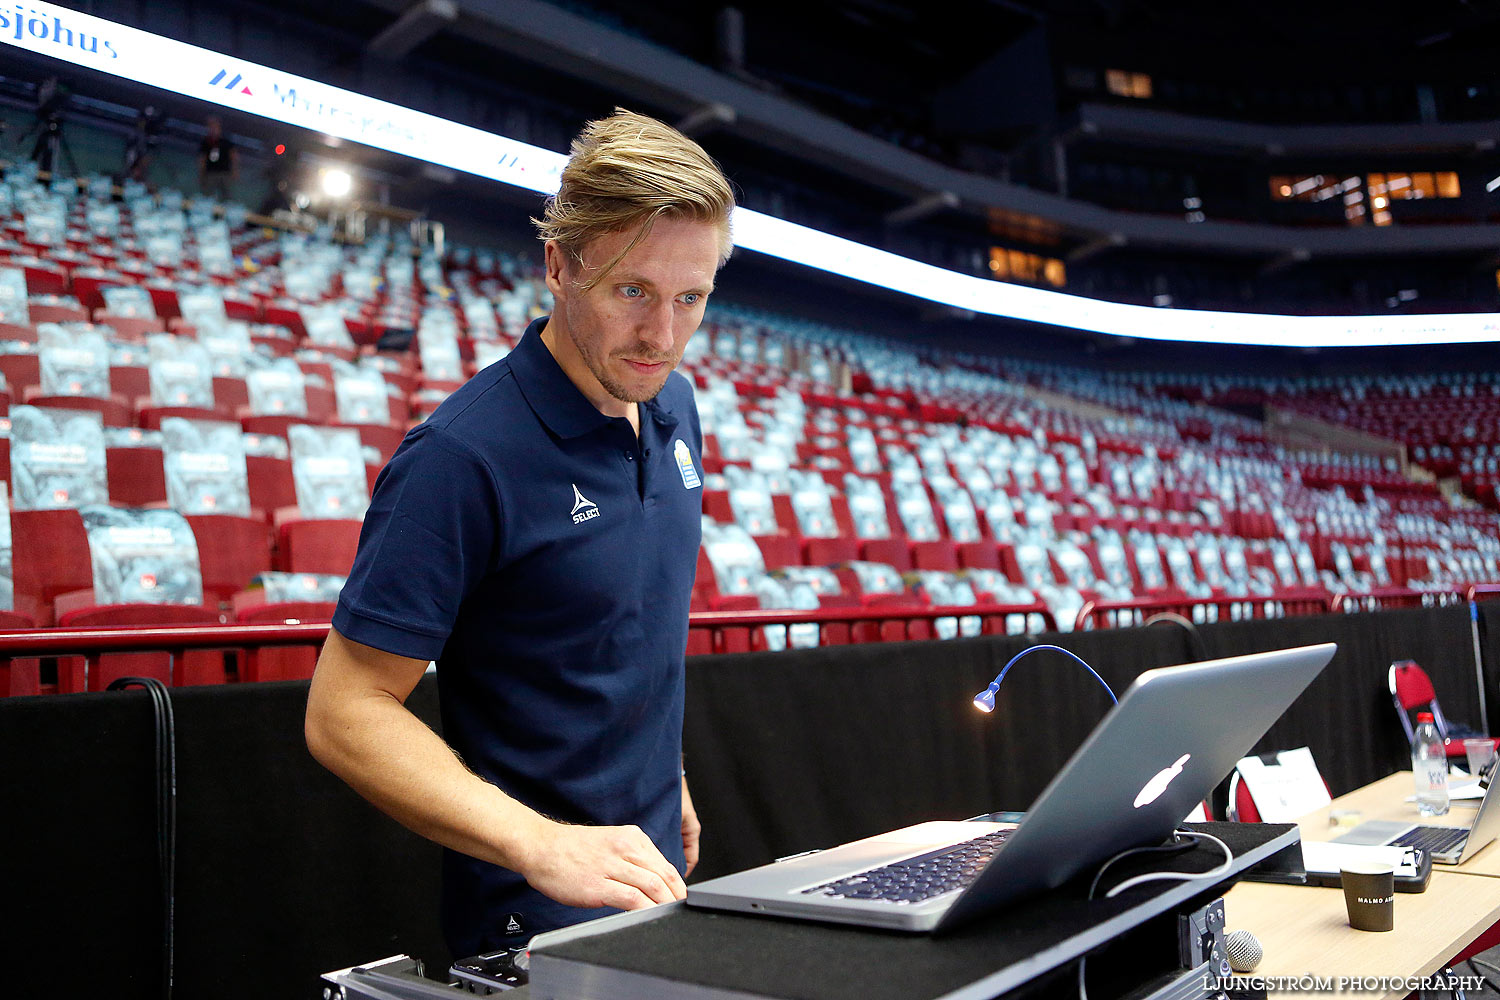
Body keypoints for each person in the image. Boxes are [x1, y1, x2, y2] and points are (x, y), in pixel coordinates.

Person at [304, 108, 735, 959]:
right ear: (558, 267)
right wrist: (539, 842)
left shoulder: (674, 407)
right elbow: (343, 710)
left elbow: (617, 630)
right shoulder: (461, 457)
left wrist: (666, 771)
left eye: (692, 298)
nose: (664, 336)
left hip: (652, 883)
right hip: (529, 922)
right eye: (633, 291)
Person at [198, 115, 237, 201]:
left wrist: (234, 171)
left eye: (214, 125)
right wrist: (202, 174)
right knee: (207, 195)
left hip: (224, 173)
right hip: (211, 173)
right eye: (210, 126)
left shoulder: (226, 141)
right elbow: (202, 159)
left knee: (226, 196)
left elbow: (233, 156)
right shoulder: (206, 142)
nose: (212, 128)